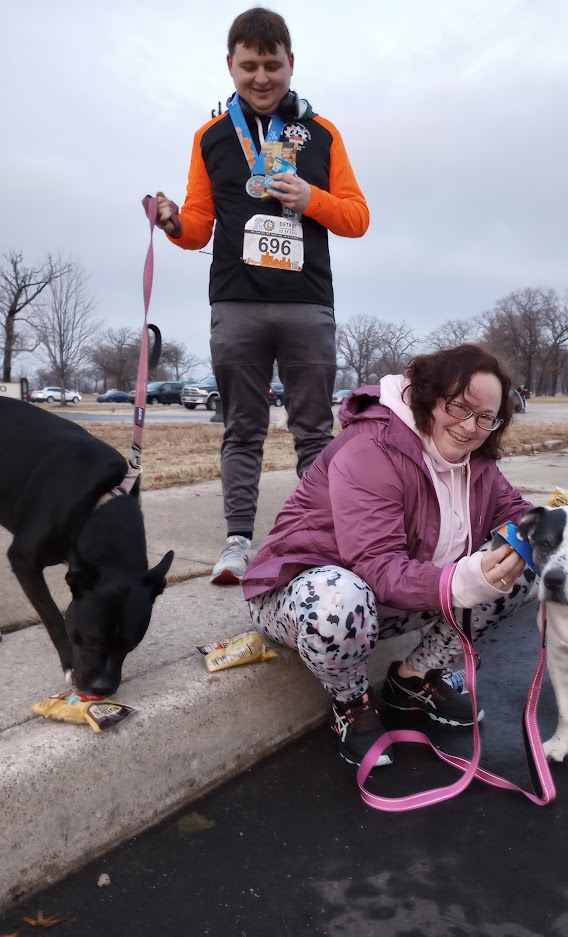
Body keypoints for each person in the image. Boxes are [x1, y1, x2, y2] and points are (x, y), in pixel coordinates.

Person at [147, 7, 369, 585]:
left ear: (291, 63)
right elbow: (197, 225)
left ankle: (321, 539)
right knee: (241, 428)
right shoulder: (212, 137)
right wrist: (172, 221)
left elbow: (357, 217)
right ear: (230, 65)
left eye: (273, 65)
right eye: (249, 66)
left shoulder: (323, 135)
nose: (262, 78)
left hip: (307, 303)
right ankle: (237, 543)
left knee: (314, 432)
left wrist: (310, 197)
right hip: (237, 302)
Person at [242, 344, 537, 767]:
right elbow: (375, 565)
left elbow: (516, 514)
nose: (470, 427)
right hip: (300, 597)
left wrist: (558, 528)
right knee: (339, 598)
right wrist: (462, 581)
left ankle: (414, 680)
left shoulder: (478, 462)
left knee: (519, 566)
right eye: (459, 407)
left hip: (383, 601)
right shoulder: (371, 448)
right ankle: (351, 703)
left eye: (486, 417)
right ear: (429, 397)